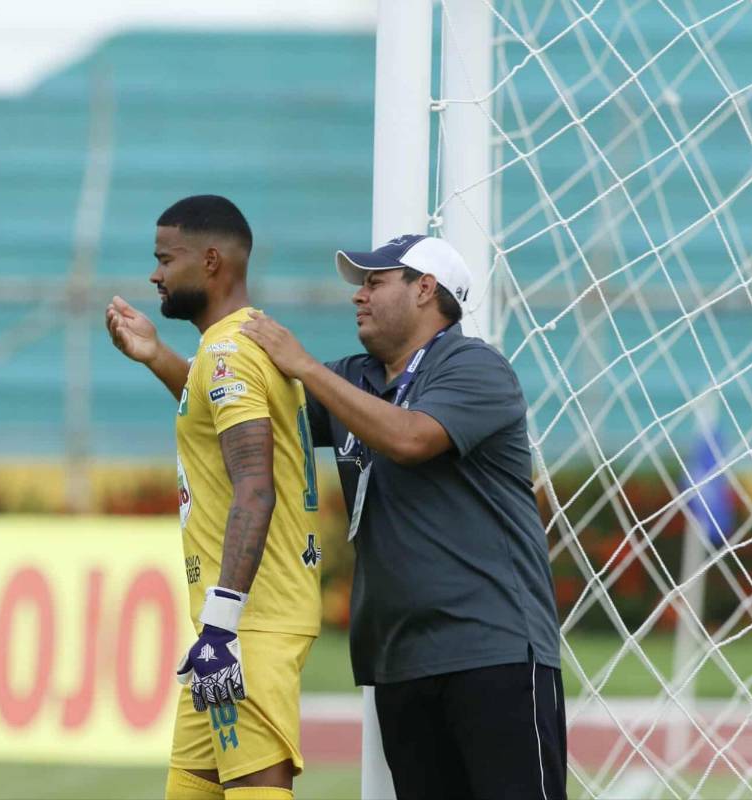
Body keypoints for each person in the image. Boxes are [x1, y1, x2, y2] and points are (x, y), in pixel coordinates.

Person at [238, 234, 567, 800]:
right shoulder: (356, 376)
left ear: (425, 289)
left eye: (374, 281)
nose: (358, 296)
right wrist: (160, 359)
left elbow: (410, 438)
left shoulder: (475, 366)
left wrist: (304, 367)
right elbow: (239, 409)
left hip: (494, 652)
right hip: (400, 660)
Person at [105, 195, 322, 800]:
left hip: (246, 624)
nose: (154, 274)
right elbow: (212, 415)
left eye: (163, 259)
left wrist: (221, 627)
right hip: (231, 622)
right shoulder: (233, 348)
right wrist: (155, 356)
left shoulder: (228, 353)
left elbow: (256, 488)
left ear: (209, 262)